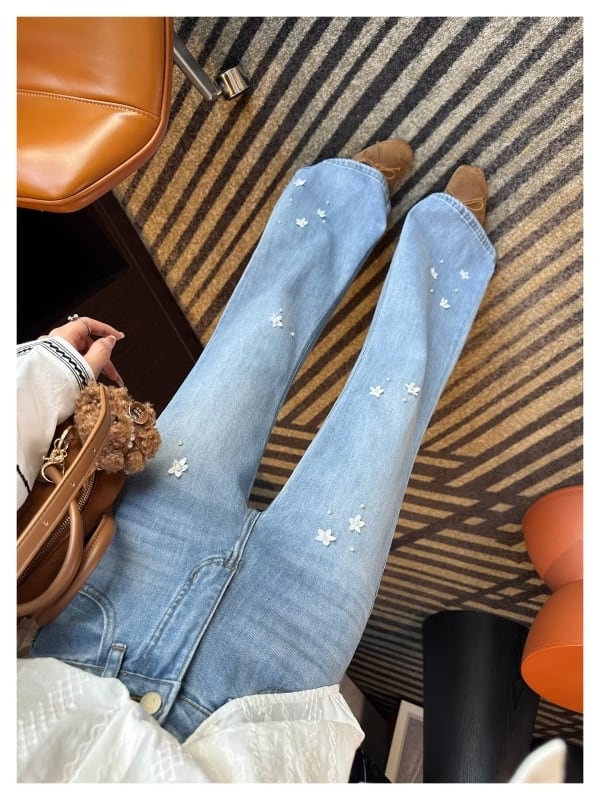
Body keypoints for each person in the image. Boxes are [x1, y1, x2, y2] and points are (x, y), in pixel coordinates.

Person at [16, 138, 496, 782]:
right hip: (273, 692)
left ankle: (342, 199)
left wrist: (44, 376)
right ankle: (446, 249)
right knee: (386, 424)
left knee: (245, 352)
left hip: (103, 589)